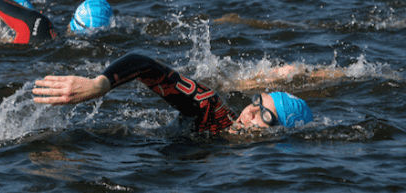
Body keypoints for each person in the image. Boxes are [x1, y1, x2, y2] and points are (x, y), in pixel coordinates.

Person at [32, 53, 315, 134]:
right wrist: (100, 84)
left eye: (264, 116)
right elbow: (143, 64)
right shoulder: (213, 112)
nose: (250, 112)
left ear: (280, 132)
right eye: (256, 102)